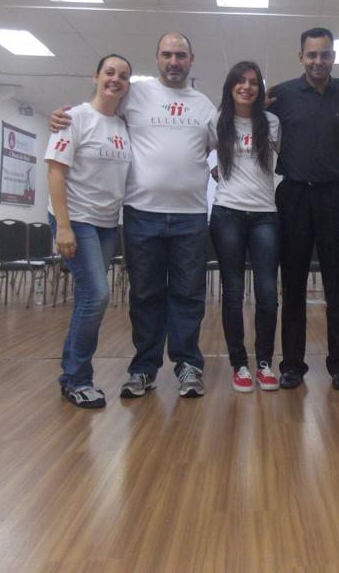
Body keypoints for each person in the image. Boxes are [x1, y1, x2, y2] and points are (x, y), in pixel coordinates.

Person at [50, 32, 217, 399]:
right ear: (157, 57)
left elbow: (223, 146)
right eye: (167, 54)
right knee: (145, 295)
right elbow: (99, 108)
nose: (174, 61)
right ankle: (143, 368)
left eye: (181, 55)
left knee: (189, 295)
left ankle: (188, 366)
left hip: (190, 216)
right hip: (142, 214)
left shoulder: (204, 105)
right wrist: (62, 117)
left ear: (191, 60)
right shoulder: (134, 94)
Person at [268, 28, 339, 390]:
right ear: (301, 56)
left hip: (335, 196)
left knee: (338, 283)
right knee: (292, 284)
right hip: (293, 196)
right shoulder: (282, 95)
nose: (318, 61)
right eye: (312, 55)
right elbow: (239, 116)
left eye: (325, 54)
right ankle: (292, 364)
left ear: (333, 57)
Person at [45, 54, 133, 408]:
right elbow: (55, 171)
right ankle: (79, 379)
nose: (115, 80)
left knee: (87, 297)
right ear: (95, 76)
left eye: (123, 76)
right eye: (109, 72)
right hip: (76, 219)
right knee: (96, 296)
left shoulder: (124, 126)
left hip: (107, 223)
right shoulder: (75, 118)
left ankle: (70, 375)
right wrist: (63, 226)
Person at [210, 61, 281, 393]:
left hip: (266, 214)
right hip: (227, 213)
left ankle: (264, 363)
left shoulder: (272, 122)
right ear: (230, 86)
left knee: (268, 293)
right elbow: (191, 153)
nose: (247, 86)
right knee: (233, 292)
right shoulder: (217, 121)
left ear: (260, 89)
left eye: (253, 82)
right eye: (240, 81)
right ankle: (239, 364)